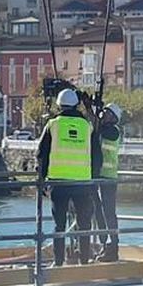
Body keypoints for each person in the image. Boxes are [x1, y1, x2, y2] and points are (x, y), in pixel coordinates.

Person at [36, 87, 101, 265]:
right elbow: (97, 156)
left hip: (58, 183)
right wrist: (93, 180)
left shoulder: (53, 125)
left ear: (59, 105)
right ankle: (84, 261)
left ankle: (58, 262)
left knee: (59, 225)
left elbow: (41, 154)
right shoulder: (87, 126)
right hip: (83, 183)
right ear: (77, 104)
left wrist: (41, 180)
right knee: (84, 224)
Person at [94, 102, 124, 261]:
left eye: (106, 113)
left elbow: (101, 131)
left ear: (113, 117)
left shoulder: (113, 131)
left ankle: (113, 246)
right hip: (100, 176)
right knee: (99, 212)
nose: (103, 115)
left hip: (108, 178)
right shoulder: (104, 129)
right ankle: (104, 244)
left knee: (108, 212)